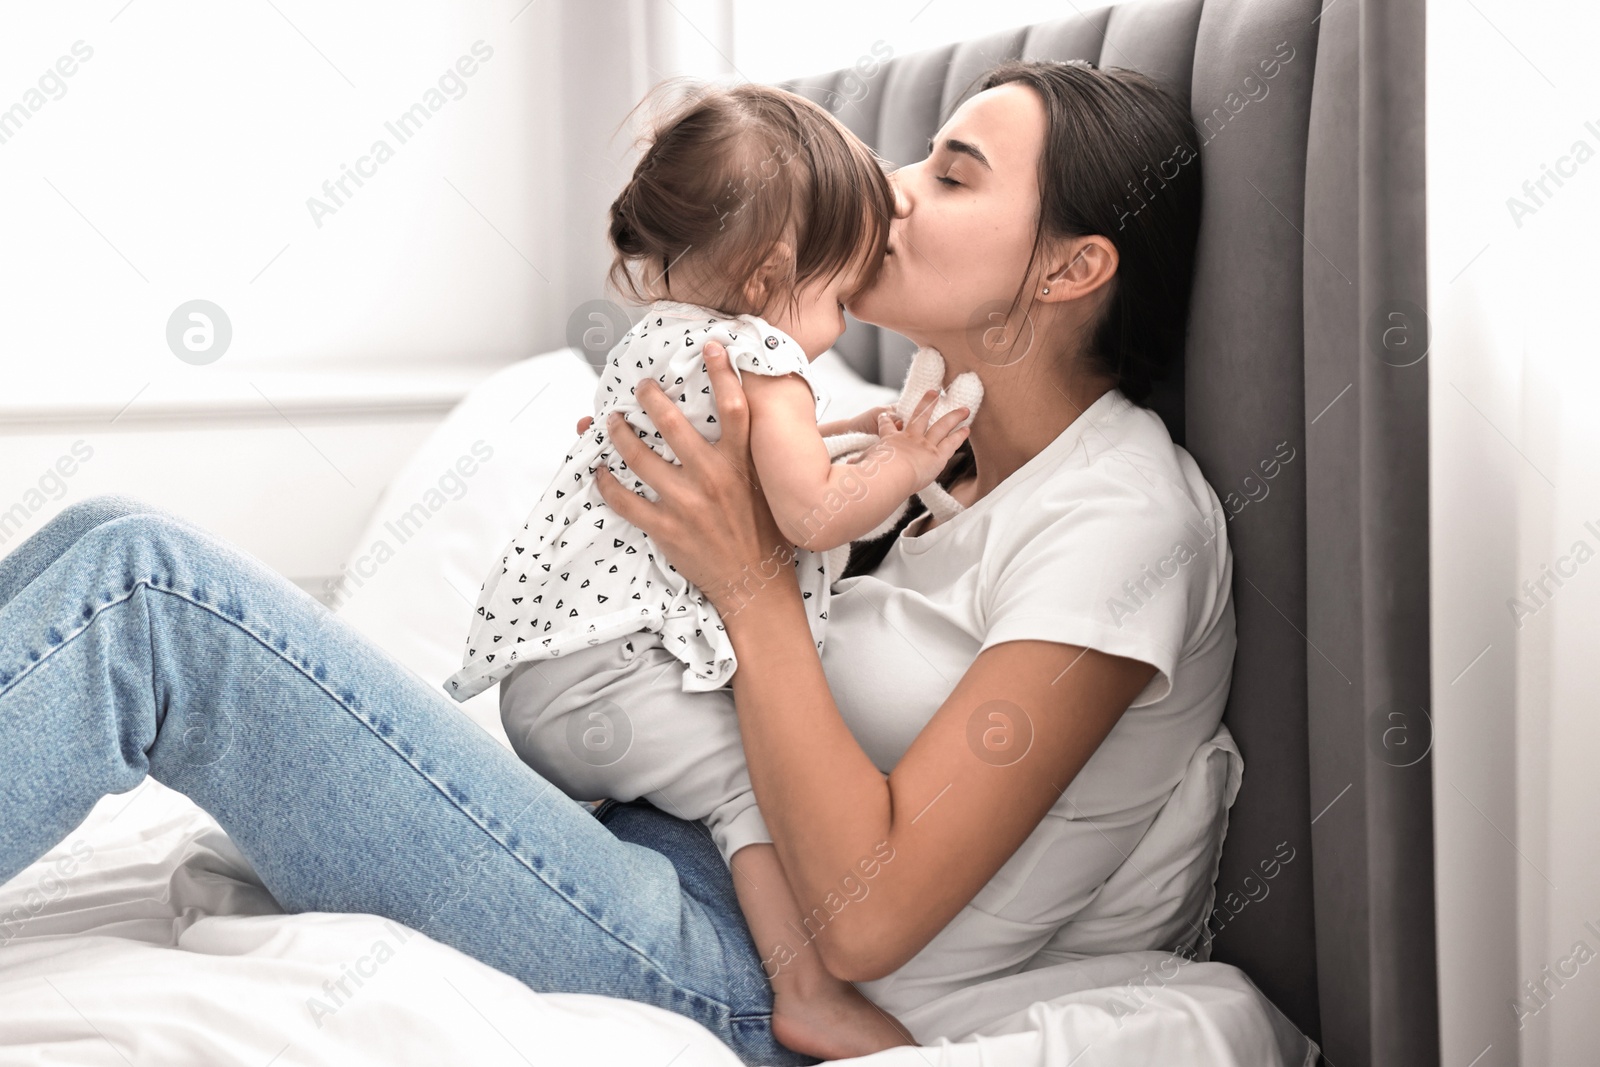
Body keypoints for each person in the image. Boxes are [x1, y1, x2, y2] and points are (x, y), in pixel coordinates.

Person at [0, 58, 1230, 1067]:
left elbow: (865, 919)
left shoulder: (1119, 524)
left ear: (1072, 268)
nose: (893, 192)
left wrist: (751, 581)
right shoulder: (935, 446)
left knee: (148, 596)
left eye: (950, 176)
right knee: (102, 534)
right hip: (636, 841)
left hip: (738, 963)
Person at [445, 80, 978, 1055]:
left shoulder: (665, 337)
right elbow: (811, 515)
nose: (838, 323)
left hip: (550, 681)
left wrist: (843, 430)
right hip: (610, 679)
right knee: (750, 786)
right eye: (837, 293)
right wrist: (904, 463)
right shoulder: (763, 353)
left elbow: (756, 459)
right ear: (774, 277)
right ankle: (806, 988)